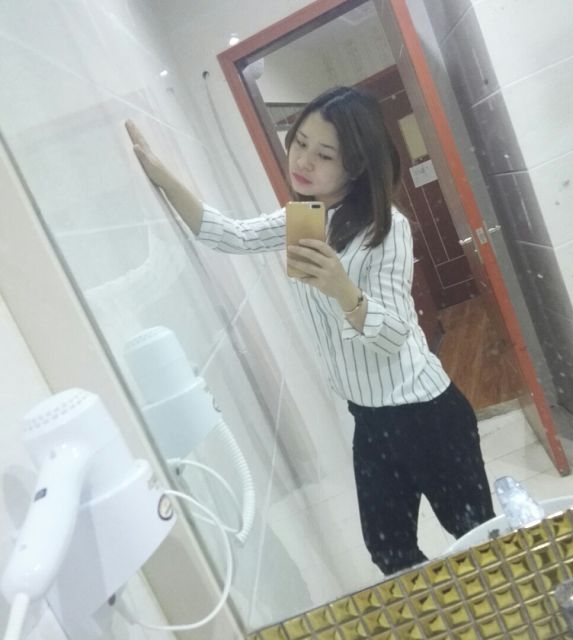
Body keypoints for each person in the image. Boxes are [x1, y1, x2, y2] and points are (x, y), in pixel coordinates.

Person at [125, 86, 495, 575]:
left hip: (426, 412)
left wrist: (342, 288)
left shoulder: (386, 228)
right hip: (370, 419)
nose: (303, 161)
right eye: (300, 142)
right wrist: (159, 175)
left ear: (356, 166)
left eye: (325, 154)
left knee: (479, 537)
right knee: (389, 551)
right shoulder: (301, 219)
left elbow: (393, 337)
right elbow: (229, 234)